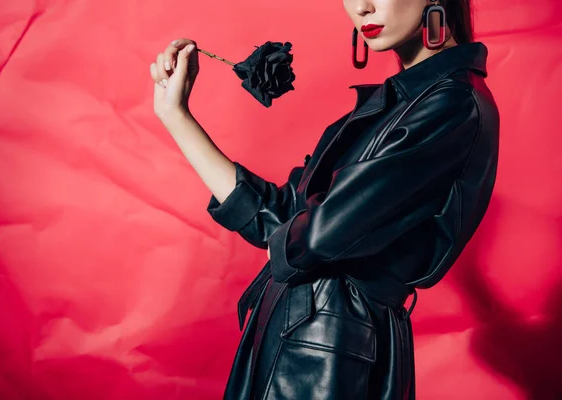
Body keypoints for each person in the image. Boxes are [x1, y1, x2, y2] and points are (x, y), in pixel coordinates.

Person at [149, 0, 499, 398]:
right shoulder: (400, 103)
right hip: (303, 335)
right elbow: (286, 219)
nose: (362, 7)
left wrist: (292, 240)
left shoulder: (451, 103)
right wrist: (175, 116)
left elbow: (315, 234)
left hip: (329, 351)